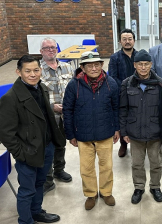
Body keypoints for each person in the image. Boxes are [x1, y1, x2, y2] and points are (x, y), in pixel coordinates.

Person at [0, 55, 65, 224]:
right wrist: (20, 154)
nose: (32, 74)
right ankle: (25, 220)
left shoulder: (41, 87)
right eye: (27, 71)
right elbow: (6, 133)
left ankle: (36, 212)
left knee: (40, 183)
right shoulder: (10, 98)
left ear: (40, 70)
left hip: (46, 146)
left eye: (36, 70)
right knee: (27, 189)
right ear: (18, 72)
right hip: (28, 151)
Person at [63, 51, 120, 210]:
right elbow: (67, 110)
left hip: (105, 132)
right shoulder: (74, 85)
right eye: (89, 65)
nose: (94, 68)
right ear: (82, 67)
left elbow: (116, 108)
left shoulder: (111, 83)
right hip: (83, 134)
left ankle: (106, 192)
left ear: (102, 65)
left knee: (106, 166)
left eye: (97, 65)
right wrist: (70, 134)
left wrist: (117, 128)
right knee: (86, 168)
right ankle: (91, 194)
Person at [119, 50, 162, 204]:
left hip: (155, 132)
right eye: (140, 64)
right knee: (137, 164)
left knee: (156, 163)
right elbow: (123, 109)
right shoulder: (127, 84)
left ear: (151, 65)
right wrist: (124, 131)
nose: (144, 67)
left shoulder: (161, 84)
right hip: (135, 132)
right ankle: (139, 187)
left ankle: (155, 187)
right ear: (135, 65)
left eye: (146, 64)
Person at [39, 37, 73, 195]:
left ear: (57, 49)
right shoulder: (35, 69)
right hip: (46, 116)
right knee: (48, 148)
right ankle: (47, 178)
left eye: (53, 47)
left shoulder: (67, 67)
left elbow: (73, 90)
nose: (50, 50)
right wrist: (52, 107)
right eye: (47, 48)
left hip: (65, 116)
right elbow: (31, 96)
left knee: (61, 144)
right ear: (41, 51)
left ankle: (59, 170)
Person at [108, 28, 138, 158]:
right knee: (124, 119)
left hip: (139, 93)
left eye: (130, 39)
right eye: (124, 39)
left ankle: (137, 143)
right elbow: (113, 78)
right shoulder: (115, 58)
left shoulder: (139, 55)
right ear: (120, 41)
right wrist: (125, 88)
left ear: (134, 41)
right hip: (122, 93)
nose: (127, 42)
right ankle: (123, 144)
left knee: (137, 117)